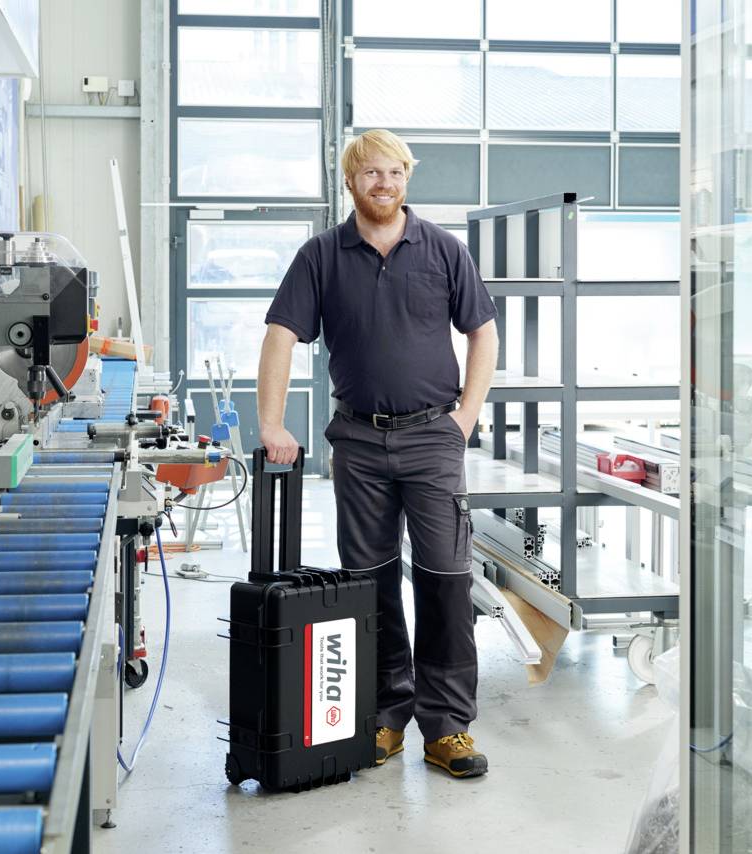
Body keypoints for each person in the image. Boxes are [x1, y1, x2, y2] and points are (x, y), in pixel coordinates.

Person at [257, 129, 499, 779]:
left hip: (432, 440)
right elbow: (281, 336)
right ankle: (386, 715)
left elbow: (482, 332)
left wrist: (465, 418)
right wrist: (271, 422)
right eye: (370, 173)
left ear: (406, 179)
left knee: (446, 581)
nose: (383, 183)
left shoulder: (444, 251)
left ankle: (447, 727)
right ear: (350, 182)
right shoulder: (321, 256)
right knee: (370, 585)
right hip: (358, 442)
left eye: (393, 172)